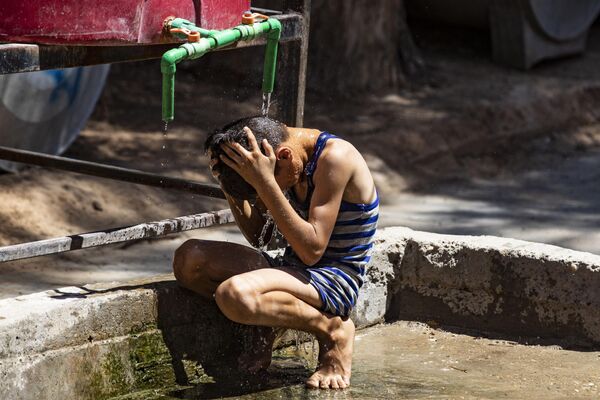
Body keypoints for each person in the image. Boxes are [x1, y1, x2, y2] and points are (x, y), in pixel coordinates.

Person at [172, 116, 379, 389]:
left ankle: (334, 330)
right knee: (190, 259)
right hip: (292, 270)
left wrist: (266, 183)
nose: (274, 189)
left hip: (333, 279)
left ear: (282, 155)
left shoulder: (335, 158)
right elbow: (261, 236)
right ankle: (264, 324)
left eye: (270, 182)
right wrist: (229, 184)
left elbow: (312, 251)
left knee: (234, 294)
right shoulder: (283, 162)